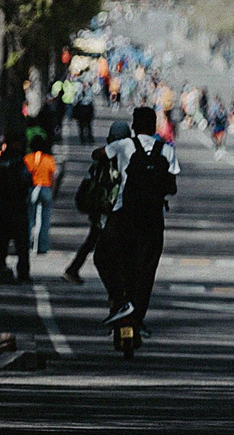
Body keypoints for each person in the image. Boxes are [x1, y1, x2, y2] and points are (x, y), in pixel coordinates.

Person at [101, 106, 179, 344]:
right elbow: (172, 187)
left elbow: (98, 156)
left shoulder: (124, 145)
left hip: (123, 217)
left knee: (103, 257)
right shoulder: (166, 150)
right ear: (154, 126)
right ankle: (137, 318)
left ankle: (119, 301)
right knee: (145, 272)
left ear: (134, 126)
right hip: (153, 221)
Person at [64, 120, 127, 285]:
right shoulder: (119, 159)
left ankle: (73, 269)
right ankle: (74, 270)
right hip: (110, 208)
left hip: (101, 207)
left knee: (94, 239)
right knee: (105, 242)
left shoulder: (102, 159)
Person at [0, 135, 33, 282]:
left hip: (1, 206)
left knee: (1, 240)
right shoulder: (19, 162)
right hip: (17, 206)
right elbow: (27, 182)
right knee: (21, 242)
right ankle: (23, 272)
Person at [25, 130, 60, 258]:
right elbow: (53, 178)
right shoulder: (49, 159)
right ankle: (41, 247)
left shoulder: (27, 158)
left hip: (32, 189)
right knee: (43, 221)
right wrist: (53, 192)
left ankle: (26, 245)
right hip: (45, 189)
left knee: (29, 219)